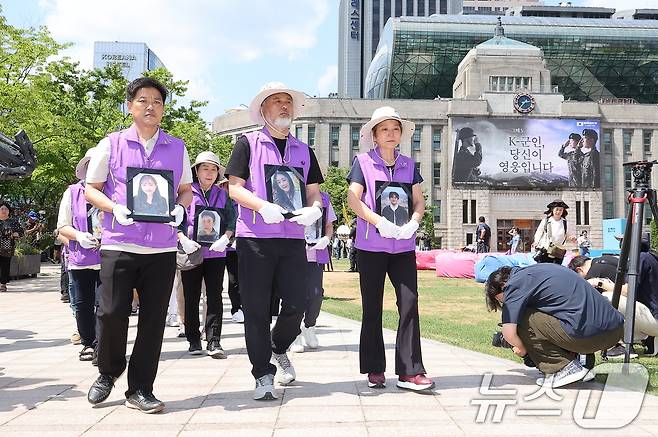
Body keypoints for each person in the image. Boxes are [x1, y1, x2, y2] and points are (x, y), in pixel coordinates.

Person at [84, 77, 193, 413]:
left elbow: (185, 190)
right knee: (112, 312)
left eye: (157, 101)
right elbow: (92, 188)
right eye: (143, 100)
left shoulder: (177, 147)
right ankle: (109, 370)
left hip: (161, 248)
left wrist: (180, 208)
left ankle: (141, 388)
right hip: (119, 243)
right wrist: (113, 208)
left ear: (163, 109)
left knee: (153, 319)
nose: (150, 107)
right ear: (130, 106)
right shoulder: (112, 144)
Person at [225, 82, 324, 400]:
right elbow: (235, 188)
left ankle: (278, 346)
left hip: (293, 238)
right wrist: (261, 206)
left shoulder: (304, 150)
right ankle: (262, 374)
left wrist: (315, 211)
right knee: (255, 310)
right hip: (255, 238)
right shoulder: (248, 144)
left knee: (299, 302)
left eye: (288, 102)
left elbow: (313, 193)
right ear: (263, 110)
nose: (284, 106)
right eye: (276, 101)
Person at [347, 106, 433, 392]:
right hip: (372, 246)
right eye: (384, 129)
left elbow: (418, 201)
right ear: (374, 134)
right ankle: (375, 368)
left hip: (404, 246)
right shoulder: (362, 162)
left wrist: (415, 222)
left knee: (409, 304)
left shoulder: (410, 165)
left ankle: (410, 371)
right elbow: (354, 201)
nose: (391, 134)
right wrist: (378, 221)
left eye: (395, 129)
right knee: (372, 307)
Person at [485, 264, 624, 388]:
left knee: (521, 318)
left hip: (586, 336)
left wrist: (523, 349)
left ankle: (563, 368)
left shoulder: (514, 285)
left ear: (502, 286)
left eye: (500, 300)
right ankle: (581, 365)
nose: (505, 303)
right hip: (615, 331)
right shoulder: (540, 270)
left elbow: (509, 333)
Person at [177, 151, 235, 358]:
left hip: (216, 254)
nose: (210, 173)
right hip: (191, 252)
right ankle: (193, 340)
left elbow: (231, 220)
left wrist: (226, 238)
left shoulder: (222, 194)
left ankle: (213, 341)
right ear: (196, 171)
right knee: (191, 296)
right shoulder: (186, 192)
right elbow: (176, 220)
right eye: (205, 168)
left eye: (214, 169)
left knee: (214, 297)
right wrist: (182, 238)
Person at [56, 148, 103, 362]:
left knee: (107, 305)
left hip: (108, 258)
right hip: (80, 259)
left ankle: (104, 344)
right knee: (83, 304)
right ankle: (88, 343)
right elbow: (62, 226)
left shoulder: (114, 192)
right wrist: (78, 236)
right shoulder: (72, 193)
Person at [569, 252, 658, 357]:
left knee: (607, 299)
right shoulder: (607, 259)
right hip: (649, 313)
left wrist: (599, 283)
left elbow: (627, 291)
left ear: (579, 270)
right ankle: (647, 340)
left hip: (652, 318)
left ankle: (618, 347)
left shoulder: (640, 258)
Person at [290, 191, 336, 353]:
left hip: (315, 254)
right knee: (294, 295)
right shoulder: (291, 193)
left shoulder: (324, 198)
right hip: (293, 253)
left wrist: (327, 239)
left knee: (316, 293)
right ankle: (294, 333)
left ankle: (309, 326)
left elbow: (329, 225)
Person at [532, 199, 576, 264]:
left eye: (560, 210)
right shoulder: (546, 221)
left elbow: (568, 236)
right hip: (545, 250)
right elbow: (539, 233)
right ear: (552, 210)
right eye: (557, 209)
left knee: (556, 270)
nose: (558, 212)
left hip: (558, 252)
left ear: (563, 211)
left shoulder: (565, 223)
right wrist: (536, 242)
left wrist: (572, 238)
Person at [0, 201, 24, 292]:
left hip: (7, 247)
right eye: (2, 208)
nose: (4, 210)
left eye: (6, 209)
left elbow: (21, 232)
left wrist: (15, 234)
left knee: (5, 266)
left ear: (9, 211)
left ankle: (3, 284)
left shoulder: (13, 222)